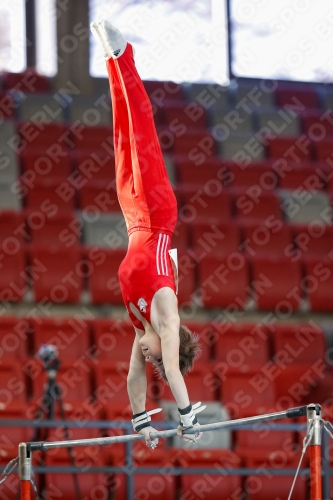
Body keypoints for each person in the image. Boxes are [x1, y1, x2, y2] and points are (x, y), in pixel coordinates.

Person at [90, 19, 205, 449]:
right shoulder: (166, 314)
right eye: (159, 354)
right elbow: (172, 370)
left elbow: (135, 376)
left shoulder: (141, 328)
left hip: (130, 215)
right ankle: (126, 56)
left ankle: (109, 61)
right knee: (142, 129)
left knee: (122, 136)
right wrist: (187, 417)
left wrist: (141, 421)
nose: (150, 357)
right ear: (171, 341)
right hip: (157, 213)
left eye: (154, 358)